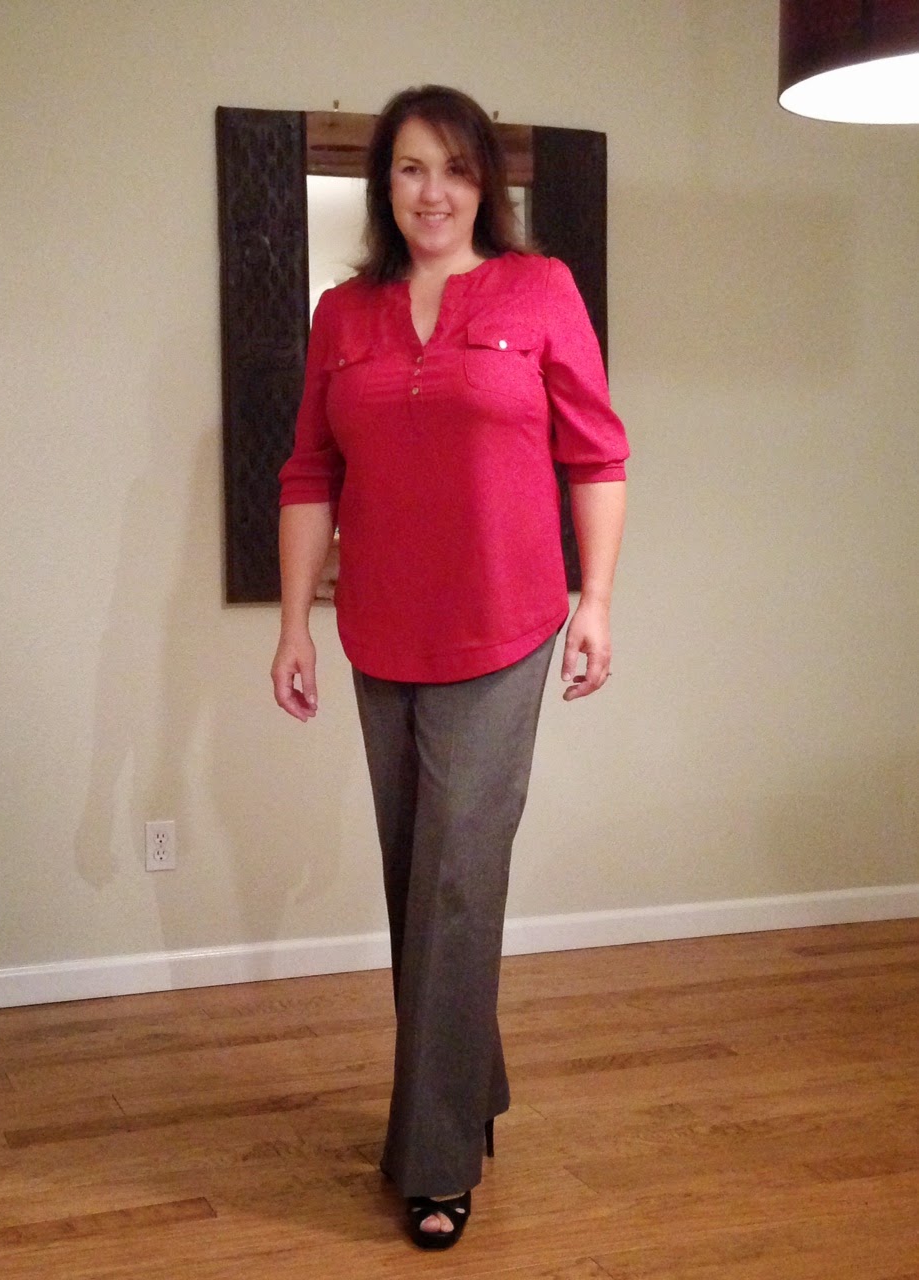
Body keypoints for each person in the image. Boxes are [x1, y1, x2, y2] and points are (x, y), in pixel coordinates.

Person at [271, 84, 628, 1250]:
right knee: (416, 878)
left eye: (456, 169)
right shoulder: (343, 313)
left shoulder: (538, 290)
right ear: (385, 182)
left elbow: (595, 452)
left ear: (487, 185)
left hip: (504, 625)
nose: (433, 192)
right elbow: (308, 472)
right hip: (381, 630)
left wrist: (594, 600)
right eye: (411, 168)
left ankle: (431, 1159)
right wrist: (293, 623)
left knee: (458, 882)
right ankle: (470, 1089)